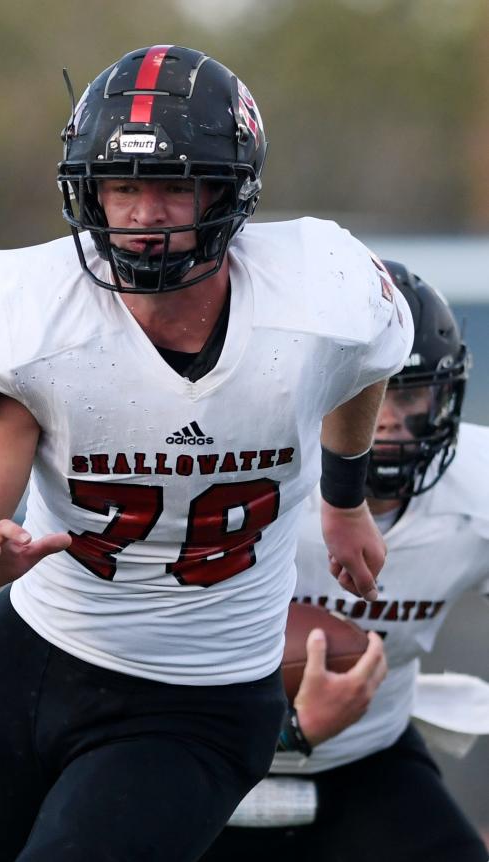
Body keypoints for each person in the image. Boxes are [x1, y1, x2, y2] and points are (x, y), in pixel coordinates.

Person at [0, 45, 414, 861]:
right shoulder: (36, 323)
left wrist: (344, 498)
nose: (143, 214)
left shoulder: (321, 301)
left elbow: (369, 364)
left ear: (226, 189)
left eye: (173, 184)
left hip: (201, 697)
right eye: (123, 185)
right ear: (89, 191)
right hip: (34, 660)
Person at [203, 262, 488, 861]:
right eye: (365, 392)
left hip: (368, 753)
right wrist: (289, 729)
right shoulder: (243, 474)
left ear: (444, 397)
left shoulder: (476, 491)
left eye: (405, 392)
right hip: (199, 750)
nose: (383, 416)